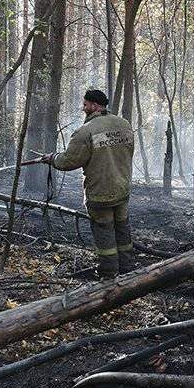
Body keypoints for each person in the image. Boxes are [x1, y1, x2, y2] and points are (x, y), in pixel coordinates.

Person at [42, 89, 135, 276]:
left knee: (104, 230)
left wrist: (53, 158)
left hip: (100, 193)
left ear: (94, 105)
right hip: (122, 189)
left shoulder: (86, 131)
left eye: (85, 105)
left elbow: (69, 161)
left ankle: (109, 273)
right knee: (122, 227)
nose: (83, 108)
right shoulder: (124, 124)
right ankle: (127, 269)